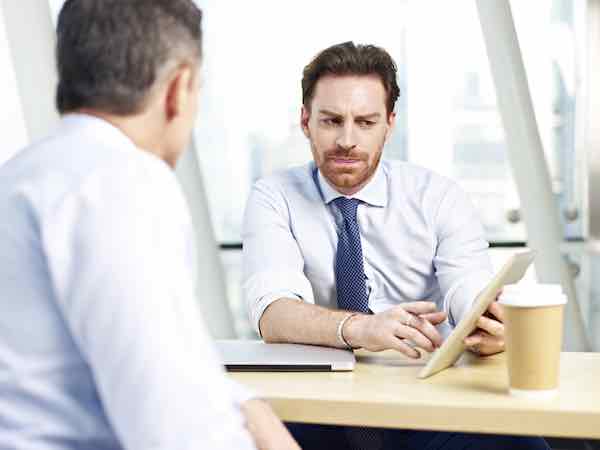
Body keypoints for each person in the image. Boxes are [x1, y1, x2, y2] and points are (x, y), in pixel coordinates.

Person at [0, 1, 299, 449]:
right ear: (178, 89)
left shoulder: (21, 177)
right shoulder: (122, 182)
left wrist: (246, 405)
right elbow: (175, 430)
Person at [243, 41, 548, 450]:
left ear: (389, 123)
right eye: (331, 120)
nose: (347, 140)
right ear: (305, 121)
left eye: (365, 122)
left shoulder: (438, 196)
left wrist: (488, 320)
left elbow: (466, 283)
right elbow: (273, 313)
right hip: (319, 409)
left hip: (425, 403)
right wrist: (364, 328)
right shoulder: (274, 196)